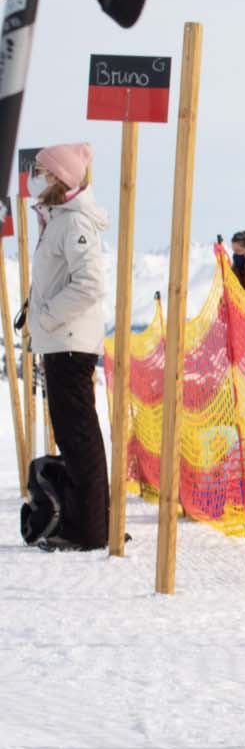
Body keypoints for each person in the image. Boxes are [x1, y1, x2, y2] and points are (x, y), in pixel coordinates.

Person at [21, 144, 110, 552]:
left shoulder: (75, 222)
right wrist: (35, 315)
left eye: (40, 170)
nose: (34, 175)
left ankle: (90, 530)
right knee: (73, 435)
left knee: (79, 434)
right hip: (61, 341)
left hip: (70, 343)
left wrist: (47, 317)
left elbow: (89, 284)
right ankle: (81, 521)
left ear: (59, 178)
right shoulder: (58, 220)